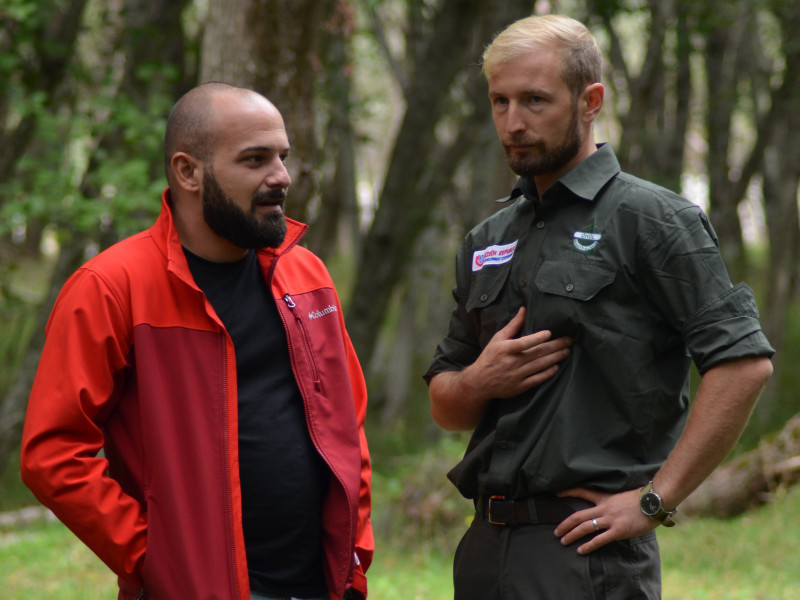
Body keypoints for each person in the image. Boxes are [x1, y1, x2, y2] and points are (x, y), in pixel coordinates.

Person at [424, 14, 774, 600]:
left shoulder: (655, 220)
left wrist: (655, 500)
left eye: (535, 101)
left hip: (586, 555)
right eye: (500, 101)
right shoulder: (486, 239)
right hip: (484, 547)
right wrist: (480, 380)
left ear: (591, 101)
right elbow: (446, 404)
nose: (513, 123)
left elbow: (743, 364)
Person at [20, 82, 372, 600]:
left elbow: (347, 426)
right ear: (188, 171)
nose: (281, 177)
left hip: (320, 585)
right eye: (255, 160)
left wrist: (353, 557)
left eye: (282, 157)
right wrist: (152, 557)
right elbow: (53, 454)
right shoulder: (111, 287)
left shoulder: (307, 273)